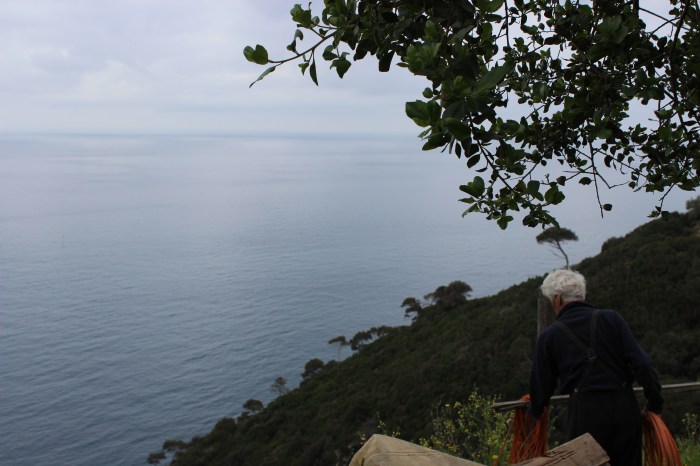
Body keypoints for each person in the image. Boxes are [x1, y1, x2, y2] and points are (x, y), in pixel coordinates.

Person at [529, 269, 663, 466]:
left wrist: (534, 413)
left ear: (557, 299)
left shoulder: (549, 336)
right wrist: (655, 404)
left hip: (584, 415)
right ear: (582, 294)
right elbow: (642, 364)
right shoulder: (612, 319)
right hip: (624, 409)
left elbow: (541, 387)